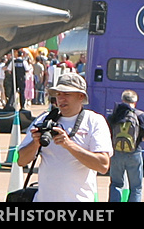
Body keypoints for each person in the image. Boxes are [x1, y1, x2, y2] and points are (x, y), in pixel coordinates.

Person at [15, 71, 111, 202]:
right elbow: (21, 161)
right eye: (58, 94)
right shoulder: (45, 119)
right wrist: (36, 143)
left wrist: (69, 145)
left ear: (81, 97)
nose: (61, 99)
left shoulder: (94, 121)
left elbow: (103, 165)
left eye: (67, 94)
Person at [106, 89, 144, 202]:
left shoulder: (115, 114)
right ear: (135, 102)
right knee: (136, 187)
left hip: (116, 153)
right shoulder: (140, 115)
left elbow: (108, 133)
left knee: (116, 184)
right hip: (134, 153)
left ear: (122, 100)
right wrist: (136, 140)